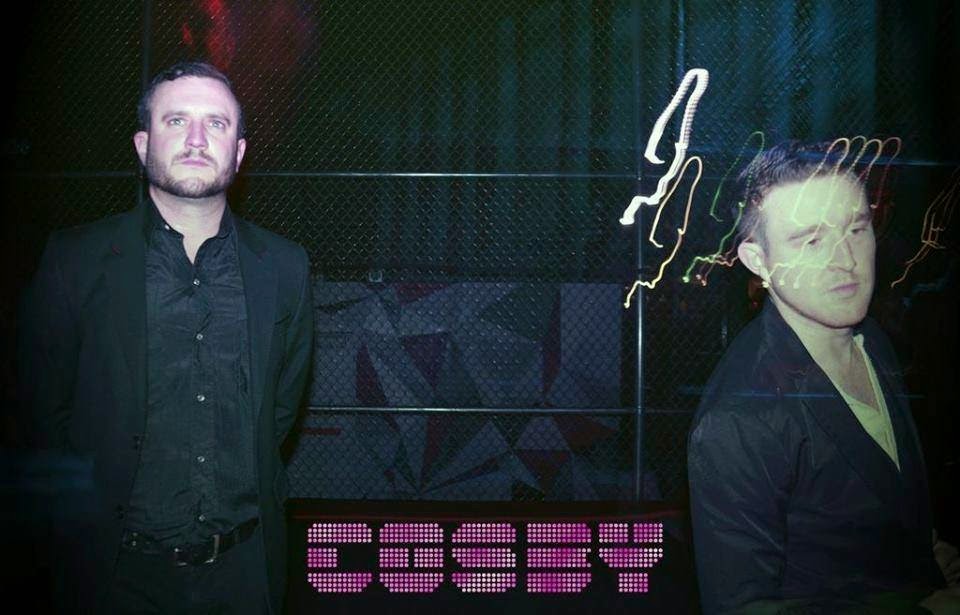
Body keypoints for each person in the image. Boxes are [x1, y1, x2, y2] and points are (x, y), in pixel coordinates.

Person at [17, 61, 314, 614]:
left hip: (245, 575)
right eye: (176, 121)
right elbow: (40, 415)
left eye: (216, 124)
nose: (197, 139)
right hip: (112, 577)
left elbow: (279, 411)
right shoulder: (74, 262)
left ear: (239, 152)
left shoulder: (285, 268)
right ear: (142, 143)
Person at [687, 140, 960, 614]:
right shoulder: (739, 419)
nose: (844, 259)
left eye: (856, 228)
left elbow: (870, 487)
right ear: (758, 261)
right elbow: (742, 608)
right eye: (810, 240)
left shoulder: (871, 340)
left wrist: (921, 546)